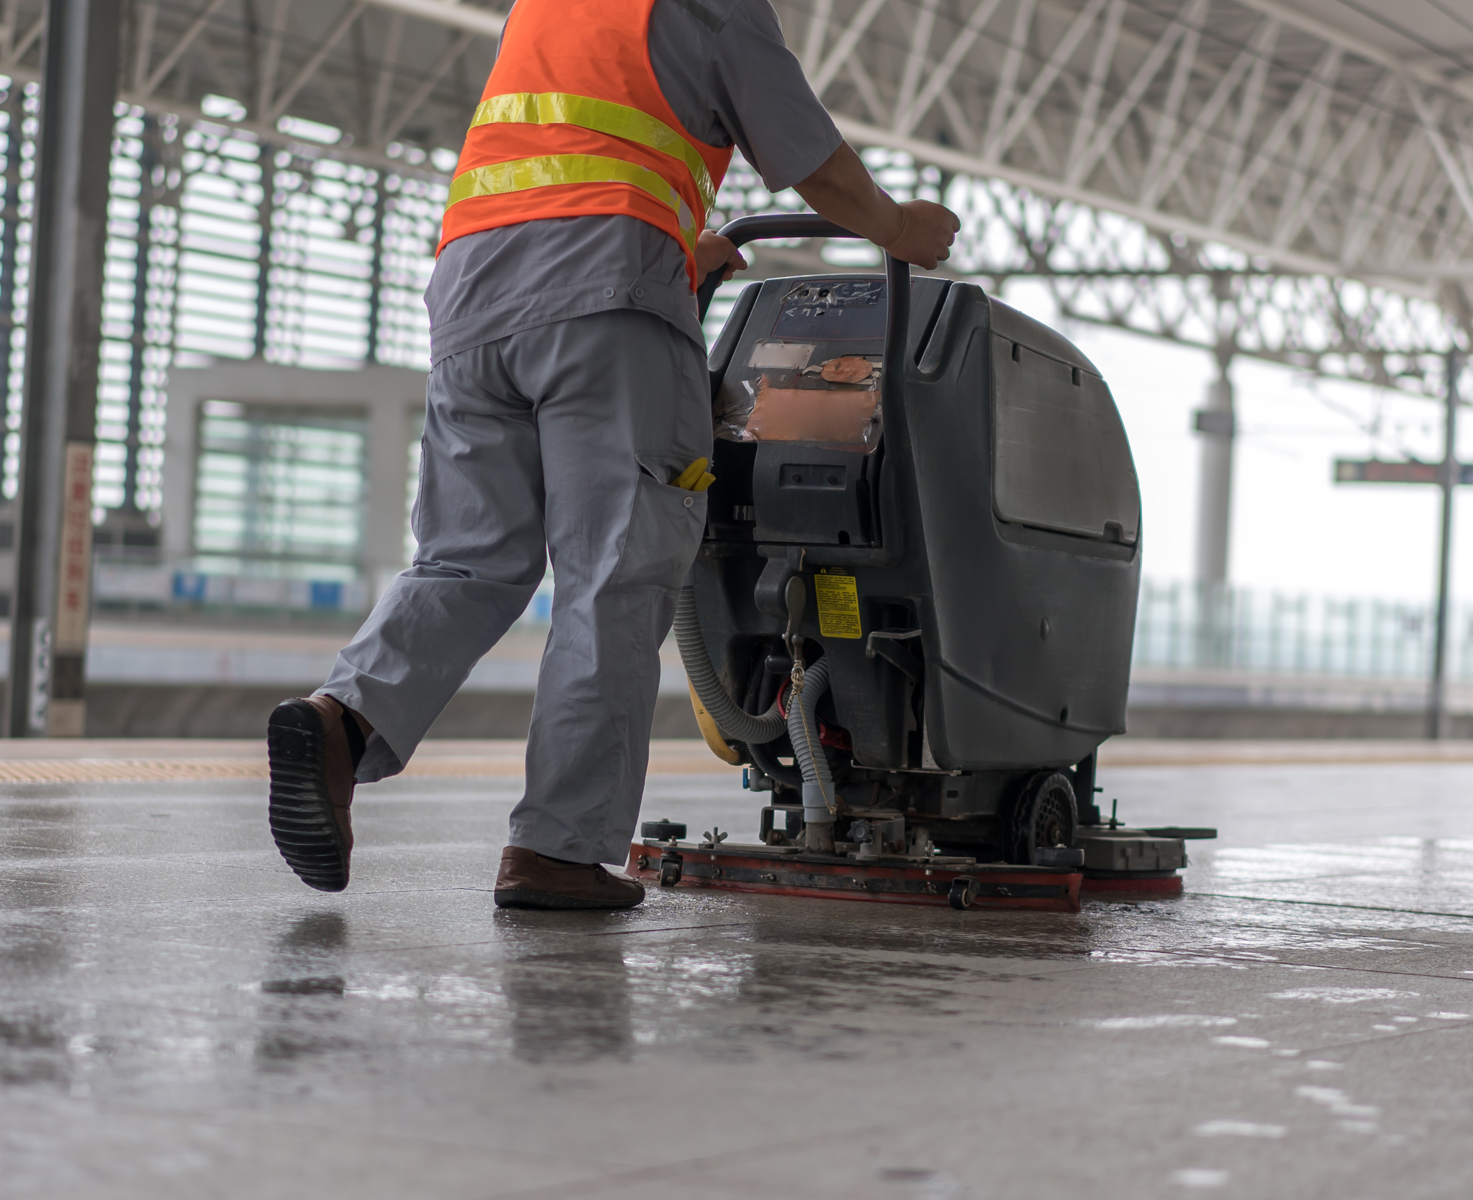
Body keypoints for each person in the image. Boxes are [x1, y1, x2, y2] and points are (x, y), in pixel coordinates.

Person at [265, 0, 959, 909]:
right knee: (612, 576)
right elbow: (814, 164)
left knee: (467, 558)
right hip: (607, 303)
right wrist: (897, 229)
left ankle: (341, 722)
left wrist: (677, 243)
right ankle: (556, 849)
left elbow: (572, 160)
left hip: (473, 295)